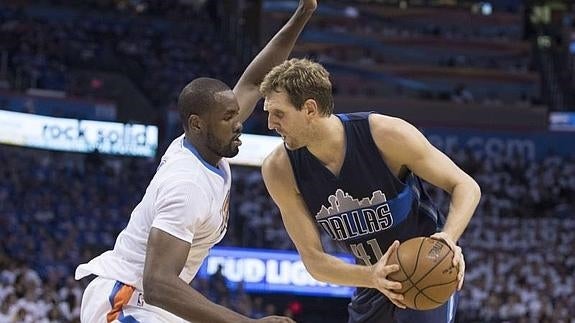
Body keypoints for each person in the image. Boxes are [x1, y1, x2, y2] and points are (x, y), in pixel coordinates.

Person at [74, 2, 317, 322]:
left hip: (151, 302)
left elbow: (256, 80)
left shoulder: (206, 145)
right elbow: (159, 283)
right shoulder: (186, 184)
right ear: (198, 123)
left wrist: (302, 13)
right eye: (228, 117)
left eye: (235, 113)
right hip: (125, 299)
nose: (239, 122)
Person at [259, 58, 481, 323]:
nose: (270, 124)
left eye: (278, 113)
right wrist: (372, 276)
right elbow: (314, 261)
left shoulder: (385, 134)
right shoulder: (279, 170)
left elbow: (466, 185)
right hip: (369, 279)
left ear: (309, 109)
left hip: (424, 266)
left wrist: (448, 237)